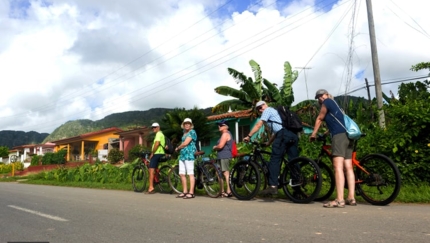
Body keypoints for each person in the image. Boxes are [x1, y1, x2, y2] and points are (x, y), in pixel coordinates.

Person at [310, 89, 356, 207]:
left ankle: (339, 200)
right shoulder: (337, 106)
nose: (320, 98)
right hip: (348, 136)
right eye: (318, 97)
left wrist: (314, 134)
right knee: (348, 167)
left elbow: (320, 119)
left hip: (339, 136)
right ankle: (351, 198)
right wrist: (326, 134)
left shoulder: (328, 102)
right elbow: (336, 122)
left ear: (327, 94)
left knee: (338, 167)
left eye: (321, 95)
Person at [243, 101, 299, 195]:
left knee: (274, 159)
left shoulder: (268, 110)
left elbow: (259, 124)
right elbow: (277, 131)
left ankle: (273, 186)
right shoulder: (276, 112)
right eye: (258, 109)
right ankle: (297, 185)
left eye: (261, 106)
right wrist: (269, 142)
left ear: (265, 105)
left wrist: (249, 136)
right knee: (293, 160)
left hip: (283, 135)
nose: (261, 109)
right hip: (292, 135)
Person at [175, 118, 198, 199]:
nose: (187, 125)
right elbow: (183, 142)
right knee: (181, 173)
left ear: (191, 125)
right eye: (185, 123)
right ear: (183, 125)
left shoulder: (192, 132)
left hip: (189, 154)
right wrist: (179, 148)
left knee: (190, 173)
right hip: (183, 155)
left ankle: (191, 192)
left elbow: (185, 143)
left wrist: (178, 148)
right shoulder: (184, 132)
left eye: (188, 123)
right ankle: (185, 191)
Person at [212, 119, 233, 198]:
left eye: (221, 125)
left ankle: (228, 191)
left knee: (225, 173)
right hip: (222, 156)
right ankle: (222, 191)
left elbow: (220, 146)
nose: (219, 126)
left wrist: (215, 147)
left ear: (226, 127)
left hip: (224, 156)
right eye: (219, 125)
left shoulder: (225, 134)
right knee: (219, 173)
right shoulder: (225, 134)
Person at [147, 122, 165, 194]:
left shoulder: (158, 134)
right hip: (161, 153)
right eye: (152, 127)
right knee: (155, 169)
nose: (153, 128)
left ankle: (151, 188)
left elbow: (157, 144)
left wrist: (152, 153)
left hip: (157, 153)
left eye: (155, 127)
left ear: (158, 127)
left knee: (151, 170)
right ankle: (156, 180)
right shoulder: (161, 134)